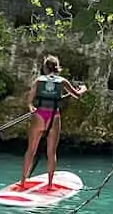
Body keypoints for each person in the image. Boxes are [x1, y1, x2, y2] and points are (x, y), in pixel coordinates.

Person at [20, 55, 87, 189]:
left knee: (31, 150)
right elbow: (77, 95)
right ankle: (50, 184)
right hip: (54, 117)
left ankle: (22, 181)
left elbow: (29, 100)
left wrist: (30, 107)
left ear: (45, 67)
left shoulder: (38, 81)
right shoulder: (62, 81)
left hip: (39, 115)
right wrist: (83, 88)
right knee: (51, 153)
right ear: (57, 68)